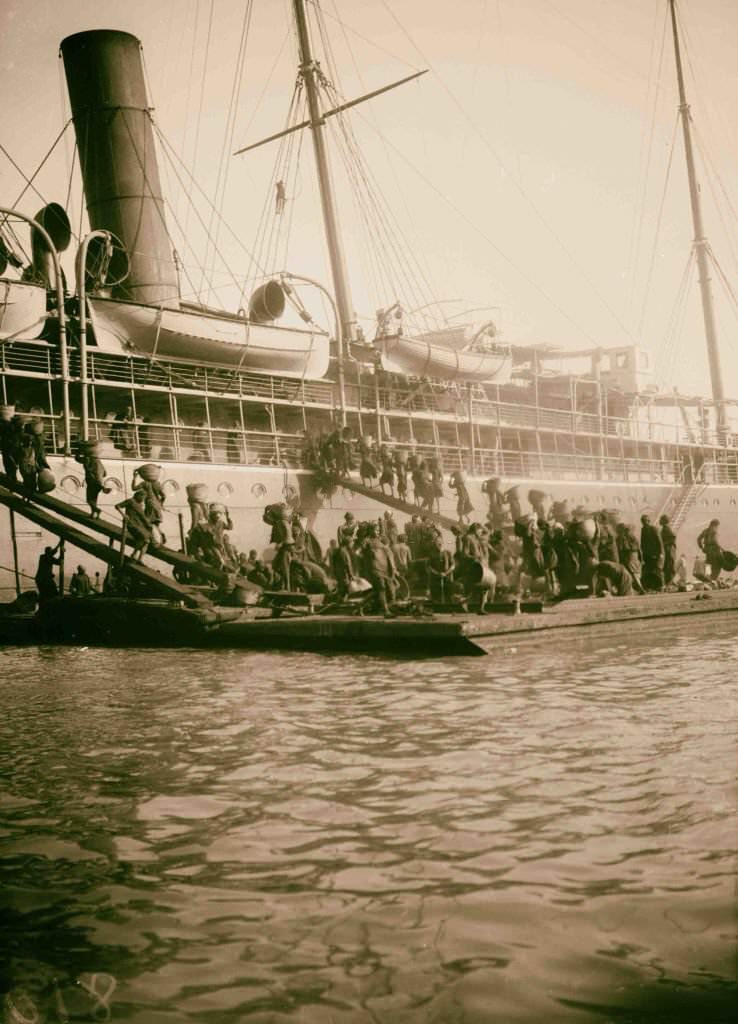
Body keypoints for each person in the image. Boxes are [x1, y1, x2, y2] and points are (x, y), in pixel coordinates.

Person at [115, 490, 153, 562]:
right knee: (144, 537)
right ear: (138, 495)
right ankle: (134, 554)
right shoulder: (131, 501)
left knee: (147, 541)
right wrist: (124, 515)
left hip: (139, 525)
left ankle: (139, 558)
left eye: (144, 498)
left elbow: (143, 517)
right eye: (142, 497)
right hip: (131, 524)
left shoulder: (140, 505)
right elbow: (117, 506)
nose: (143, 499)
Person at [76, 445, 107, 518]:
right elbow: (105, 473)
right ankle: (94, 514)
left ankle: (97, 510)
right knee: (94, 499)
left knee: (89, 499)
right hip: (99, 483)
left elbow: (78, 459)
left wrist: (79, 452)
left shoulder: (88, 459)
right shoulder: (99, 461)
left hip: (92, 482)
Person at [640, 514, 664, 591]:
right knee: (649, 571)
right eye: (642, 521)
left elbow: (659, 542)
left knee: (657, 570)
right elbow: (642, 543)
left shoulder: (653, 529)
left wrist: (660, 553)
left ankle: (661, 586)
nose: (644, 523)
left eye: (645, 521)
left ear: (648, 521)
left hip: (655, 554)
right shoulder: (643, 530)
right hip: (647, 555)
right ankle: (652, 587)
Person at [659, 514, 678, 586]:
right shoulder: (664, 528)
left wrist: (664, 544)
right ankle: (669, 582)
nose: (659, 521)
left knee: (669, 566)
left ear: (664, 521)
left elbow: (673, 537)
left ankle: (669, 582)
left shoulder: (667, 528)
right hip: (668, 550)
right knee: (668, 566)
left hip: (669, 550)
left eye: (661, 520)